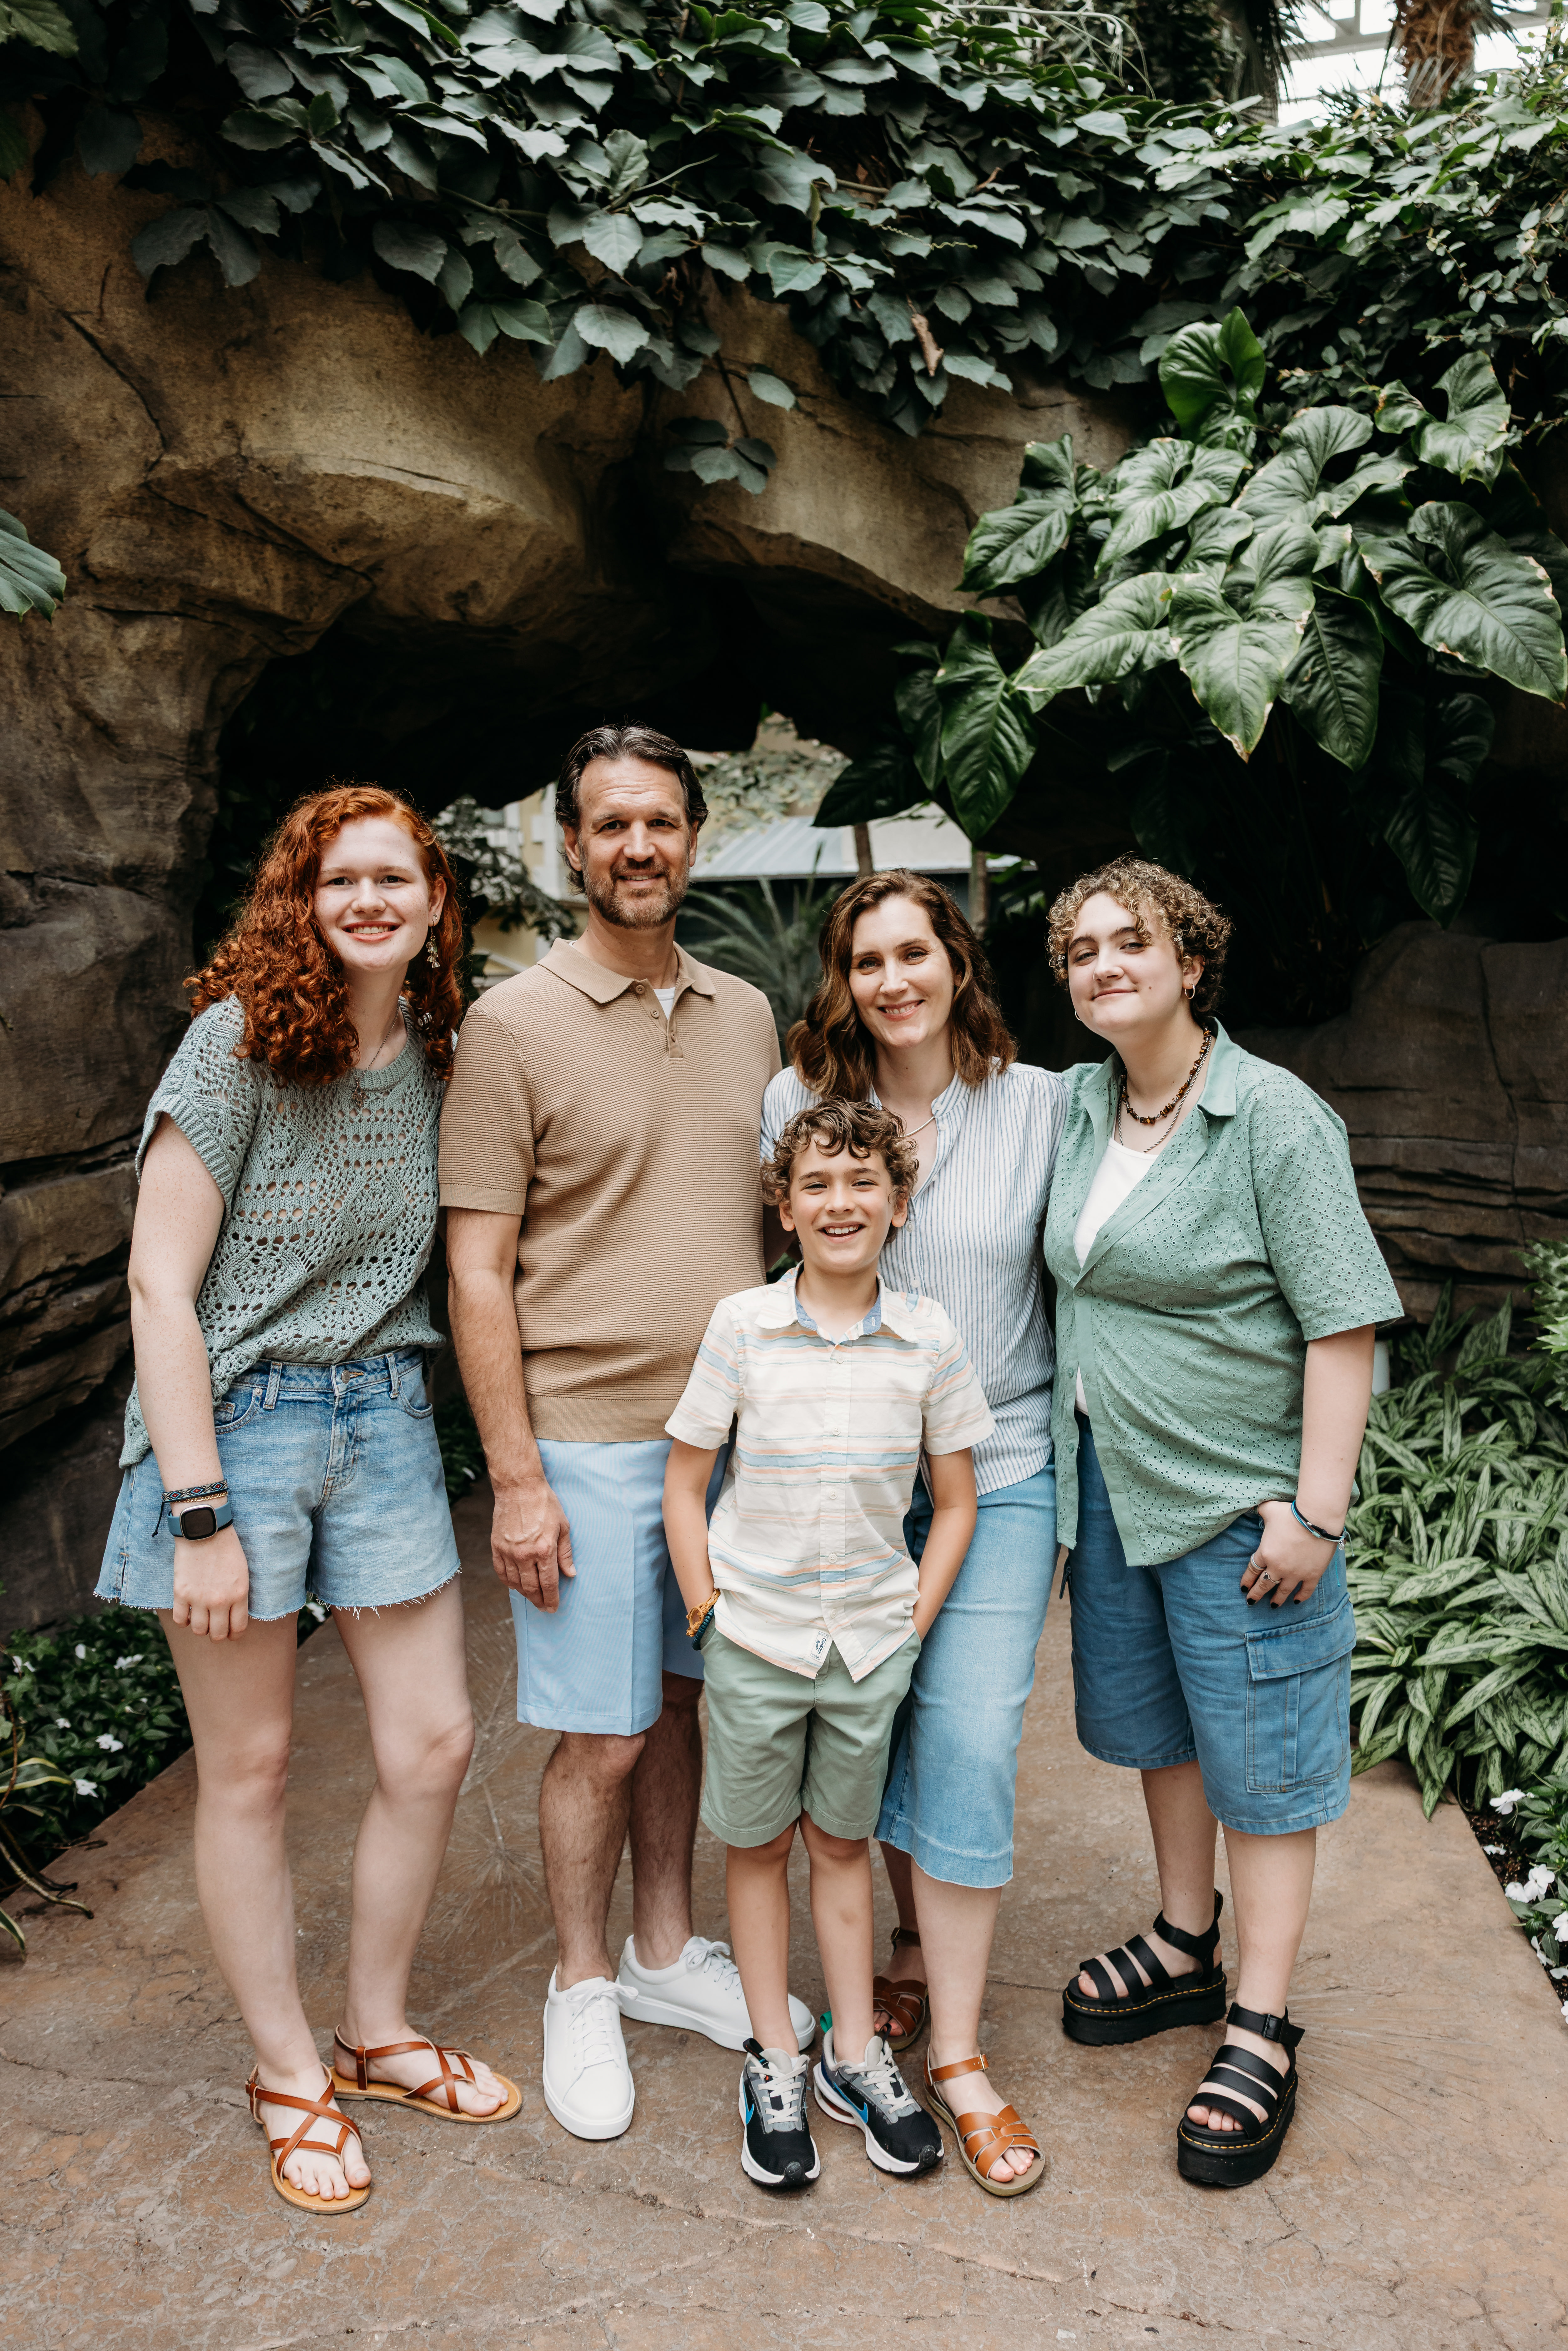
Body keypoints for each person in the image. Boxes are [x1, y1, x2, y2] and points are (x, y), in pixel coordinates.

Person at [97, 784, 518, 2218]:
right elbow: (159, 1284)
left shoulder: (443, 1055)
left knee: (433, 1739)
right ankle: (288, 2071)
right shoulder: (235, 1046)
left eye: (395, 877)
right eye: (341, 878)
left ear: (435, 897)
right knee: (254, 1769)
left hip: (388, 1419)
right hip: (240, 1428)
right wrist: (199, 1506)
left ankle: (377, 2029)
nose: (370, 900)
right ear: (302, 895)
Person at [441, 723, 814, 2144]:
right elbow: (479, 1268)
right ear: (573, 845)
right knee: (599, 1732)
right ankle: (582, 1981)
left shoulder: (747, 1011)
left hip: (728, 1448)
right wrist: (518, 1476)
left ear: (695, 838)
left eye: (660, 821)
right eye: (610, 825)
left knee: (682, 1704)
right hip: (589, 1442)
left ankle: (665, 1953)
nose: (638, 846)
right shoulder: (511, 1023)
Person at [1044, 856, 1401, 2188]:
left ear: (1193, 961)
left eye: (1130, 940)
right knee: (1163, 1734)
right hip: (1116, 1489)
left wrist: (1318, 1509)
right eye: (1079, 949)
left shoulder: (1274, 1118)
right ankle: (1184, 1942)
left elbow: (1342, 1322)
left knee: (1261, 1759)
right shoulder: (1080, 1106)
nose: (1101, 965)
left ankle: (1260, 2015)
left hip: (1241, 1507)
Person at [761, 869, 1064, 2195]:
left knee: (972, 1730)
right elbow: (770, 1277)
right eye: (867, 958)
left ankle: (954, 2051)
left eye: (915, 952)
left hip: (999, 1469)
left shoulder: (1045, 1103)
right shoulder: (798, 1105)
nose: (894, 980)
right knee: (866, 1717)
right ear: (844, 977)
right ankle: (900, 1944)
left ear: (957, 960)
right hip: (842, 1479)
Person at [663, 1100, 993, 2190]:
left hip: (866, 1648)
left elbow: (954, 1500)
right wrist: (708, 1614)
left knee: (843, 1847)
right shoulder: (742, 1326)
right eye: (816, 1184)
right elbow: (686, 1478)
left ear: (899, 1205)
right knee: (756, 1848)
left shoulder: (929, 1337)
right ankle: (774, 2056)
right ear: (784, 1204)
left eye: (863, 1184)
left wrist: (914, 1623)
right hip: (754, 1639)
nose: (839, 1203)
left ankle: (856, 2052)